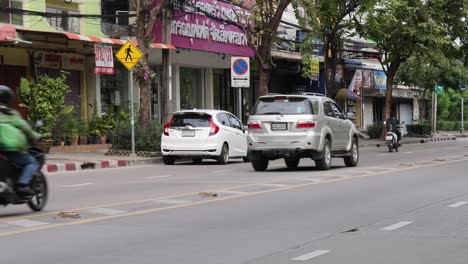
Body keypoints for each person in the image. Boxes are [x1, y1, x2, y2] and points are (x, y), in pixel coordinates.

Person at [0, 85, 41, 195]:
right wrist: (36, 136)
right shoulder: (11, 114)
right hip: (10, 151)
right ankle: (22, 184)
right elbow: (26, 128)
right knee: (31, 163)